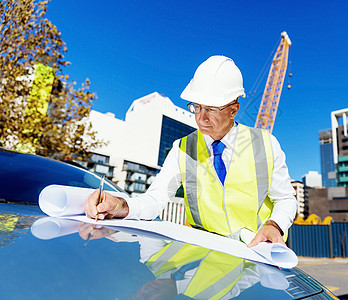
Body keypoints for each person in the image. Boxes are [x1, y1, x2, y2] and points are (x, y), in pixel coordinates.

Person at [84, 55, 297, 247]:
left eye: (211, 109)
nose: (201, 117)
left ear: (233, 110)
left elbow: (286, 199)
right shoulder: (181, 149)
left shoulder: (265, 144)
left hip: (258, 252)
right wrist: (120, 205)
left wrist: (274, 225)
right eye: (197, 107)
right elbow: (154, 200)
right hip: (207, 256)